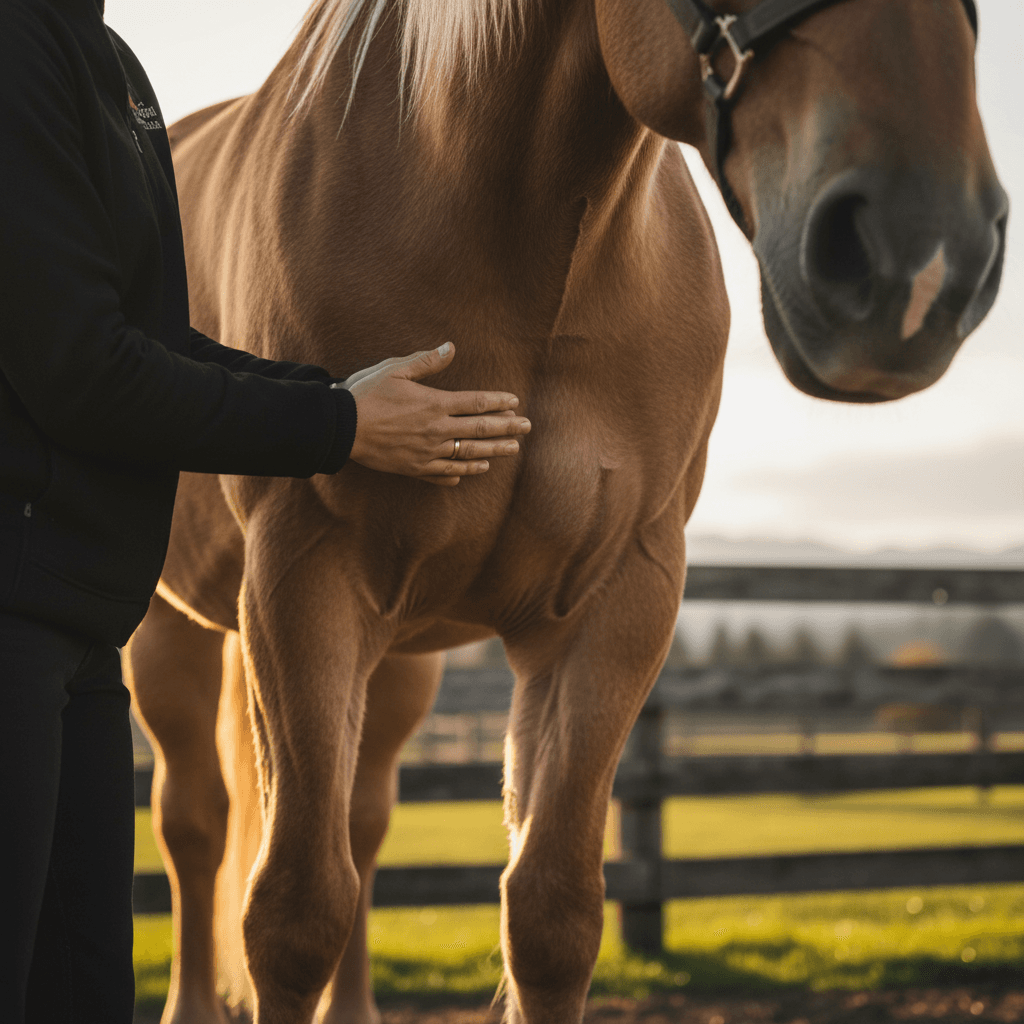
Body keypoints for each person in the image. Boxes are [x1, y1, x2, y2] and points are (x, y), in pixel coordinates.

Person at [0, 0, 532, 1020]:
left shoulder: (109, 63)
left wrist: (336, 400)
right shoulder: (15, 48)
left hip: (76, 632)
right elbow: (79, 367)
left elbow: (156, 340)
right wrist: (335, 430)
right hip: (16, 607)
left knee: (82, 990)